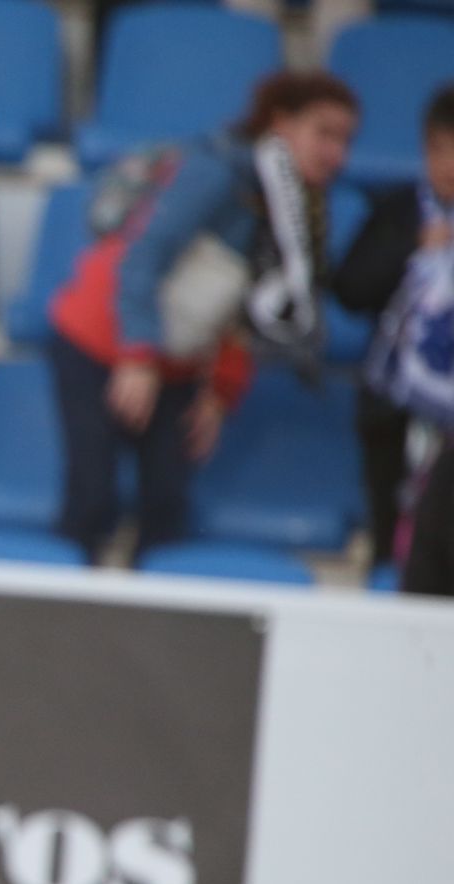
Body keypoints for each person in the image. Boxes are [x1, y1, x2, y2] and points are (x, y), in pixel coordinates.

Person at [48, 71, 359, 563]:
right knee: (91, 500)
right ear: (280, 123)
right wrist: (137, 355)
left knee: (168, 511)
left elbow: (248, 311)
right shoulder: (218, 171)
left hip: (177, 362)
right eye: (324, 133)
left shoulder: (297, 210)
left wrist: (220, 393)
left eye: (345, 141)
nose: (335, 154)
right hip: (101, 344)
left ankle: (152, 633)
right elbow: (144, 255)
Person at [332, 84, 454, 572]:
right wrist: (411, 247)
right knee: (394, 532)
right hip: (392, 408)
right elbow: (350, 289)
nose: (448, 165)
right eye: (437, 150)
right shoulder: (400, 211)